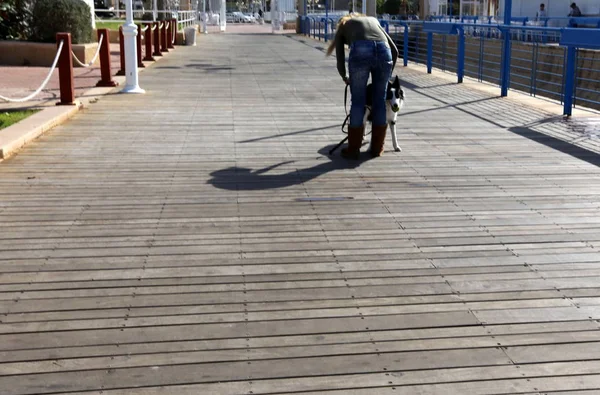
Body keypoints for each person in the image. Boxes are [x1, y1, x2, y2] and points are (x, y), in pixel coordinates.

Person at [326, 14, 399, 159]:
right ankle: (377, 148)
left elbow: (340, 58)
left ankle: (353, 149)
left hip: (360, 51)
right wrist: (386, 77)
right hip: (384, 52)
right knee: (379, 101)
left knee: (358, 101)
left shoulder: (343, 26)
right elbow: (395, 51)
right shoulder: (373, 20)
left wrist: (345, 77)